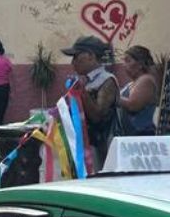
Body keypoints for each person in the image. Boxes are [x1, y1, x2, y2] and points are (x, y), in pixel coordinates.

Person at [62, 35, 118, 167]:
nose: (73, 63)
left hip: (99, 147)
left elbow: (98, 116)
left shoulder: (107, 80)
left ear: (90, 56)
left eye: (76, 57)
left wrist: (82, 92)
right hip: (82, 144)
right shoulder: (83, 79)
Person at [115, 45, 160, 137]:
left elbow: (133, 105)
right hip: (129, 134)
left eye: (128, 61)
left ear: (140, 64)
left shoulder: (146, 80)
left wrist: (112, 97)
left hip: (141, 134)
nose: (124, 64)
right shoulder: (133, 82)